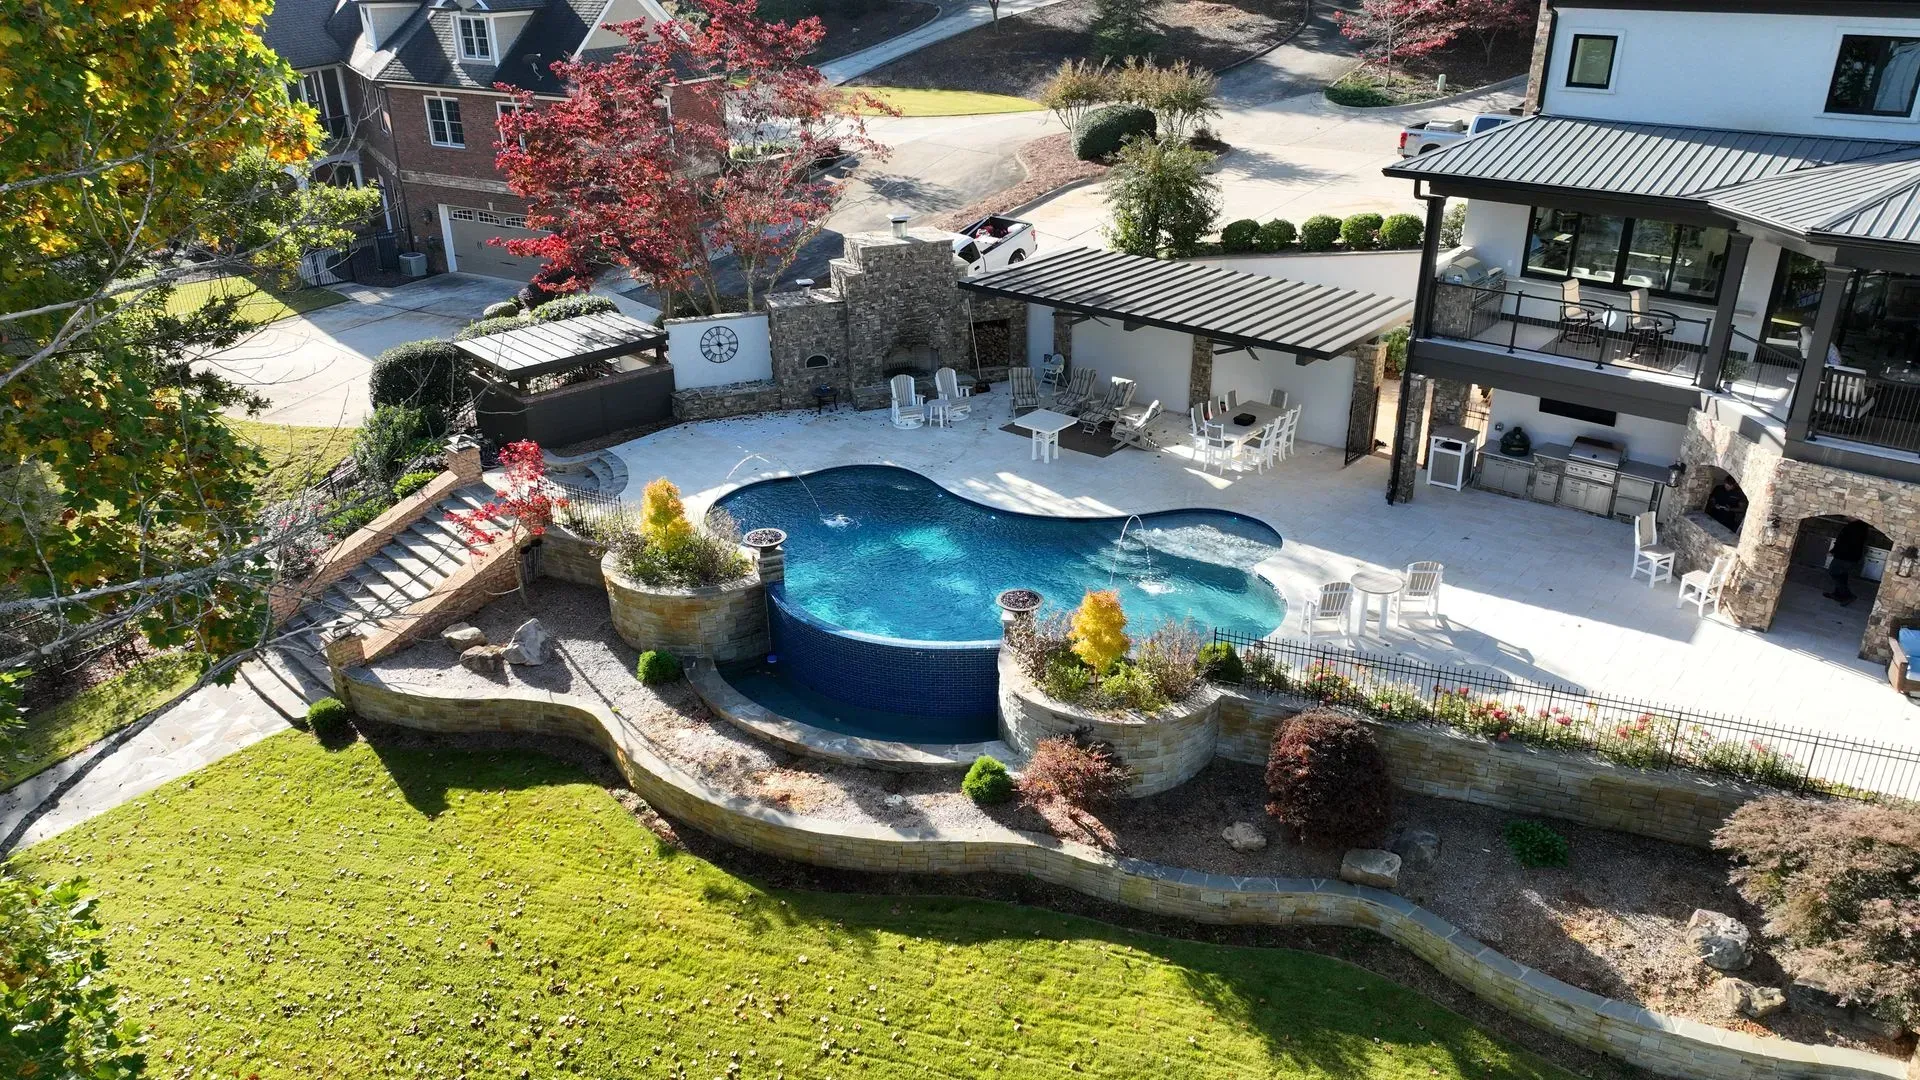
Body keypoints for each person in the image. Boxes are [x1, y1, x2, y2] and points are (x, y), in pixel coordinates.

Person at [1825, 519, 1871, 606]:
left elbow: (1844, 542)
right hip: (1851, 557)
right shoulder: (1861, 527)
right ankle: (1838, 594)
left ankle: (1847, 595)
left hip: (1844, 556)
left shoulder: (1854, 527)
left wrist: (1833, 551)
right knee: (1842, 574)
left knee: (1833, 572)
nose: (1846, 516)